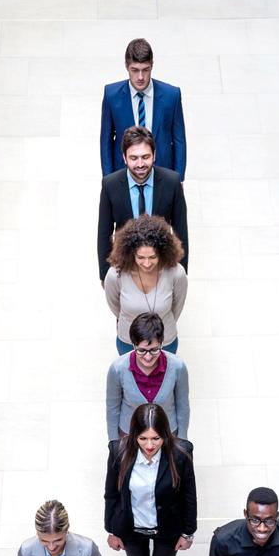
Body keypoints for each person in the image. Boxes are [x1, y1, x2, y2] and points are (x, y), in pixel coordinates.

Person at [104, 402, 196, 556]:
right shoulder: (118, 452)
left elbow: (189, 496)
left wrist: (188, 532)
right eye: (143, 438)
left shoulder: (181, 453)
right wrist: (111, 530)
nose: (149, 445)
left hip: (167, 526)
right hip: (132, 527)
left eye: (156, 438)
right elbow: (111, 494)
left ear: (165, 434)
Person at [97, 125, 188, 284]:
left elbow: (181, 232)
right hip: (125, 269)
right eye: (133, 158)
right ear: (124, 158)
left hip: (162, 268)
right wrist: (106, 277)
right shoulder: (110, 185)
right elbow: (104, 234)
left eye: (145, 157)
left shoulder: (172, 182)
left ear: (154, 155)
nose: (140, 164)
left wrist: (181, 274)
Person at [100, 37, 186, 180]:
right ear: (127, 67)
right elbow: (106, 140)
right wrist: (108, 179)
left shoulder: (172, 95)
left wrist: (179, 178)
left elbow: (179, 139)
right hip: (123, 173)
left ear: (152, 66)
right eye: (135, 70)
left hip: (163, 172)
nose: (140, 77)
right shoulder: (111, 95)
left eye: (145, 70)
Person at [104, 215, 187, 355]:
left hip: (165, 343)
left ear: (162, 253)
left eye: (152, 257)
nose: (147, 264)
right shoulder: (115, 275)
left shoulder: (176, 273)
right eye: (140, 257)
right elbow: (115, 307)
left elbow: (176, 308)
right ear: (131, 254)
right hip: (128, 343)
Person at [106, 313, 189, 441]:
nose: (148, 357)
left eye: (154, 350)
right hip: (129, 436)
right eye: (142, 350)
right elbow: (112, 409)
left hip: (167, 435)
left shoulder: (178, 367)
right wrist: (113, 443)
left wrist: (182, 441)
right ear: (133, 345)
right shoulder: (118, 369)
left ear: (161, 343)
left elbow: (182, 406)